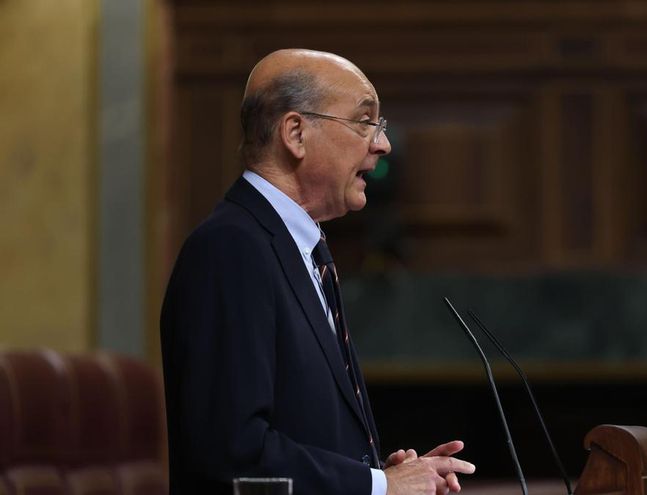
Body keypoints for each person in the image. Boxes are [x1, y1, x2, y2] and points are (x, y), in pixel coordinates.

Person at [160, 49, 475, 495]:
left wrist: (381, 474)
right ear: (296, 133)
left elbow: (297, 431)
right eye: (365, 121)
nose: (382, 144)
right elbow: (230, 453)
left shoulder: (298, 249)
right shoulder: (230, 249)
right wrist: (377, 486)